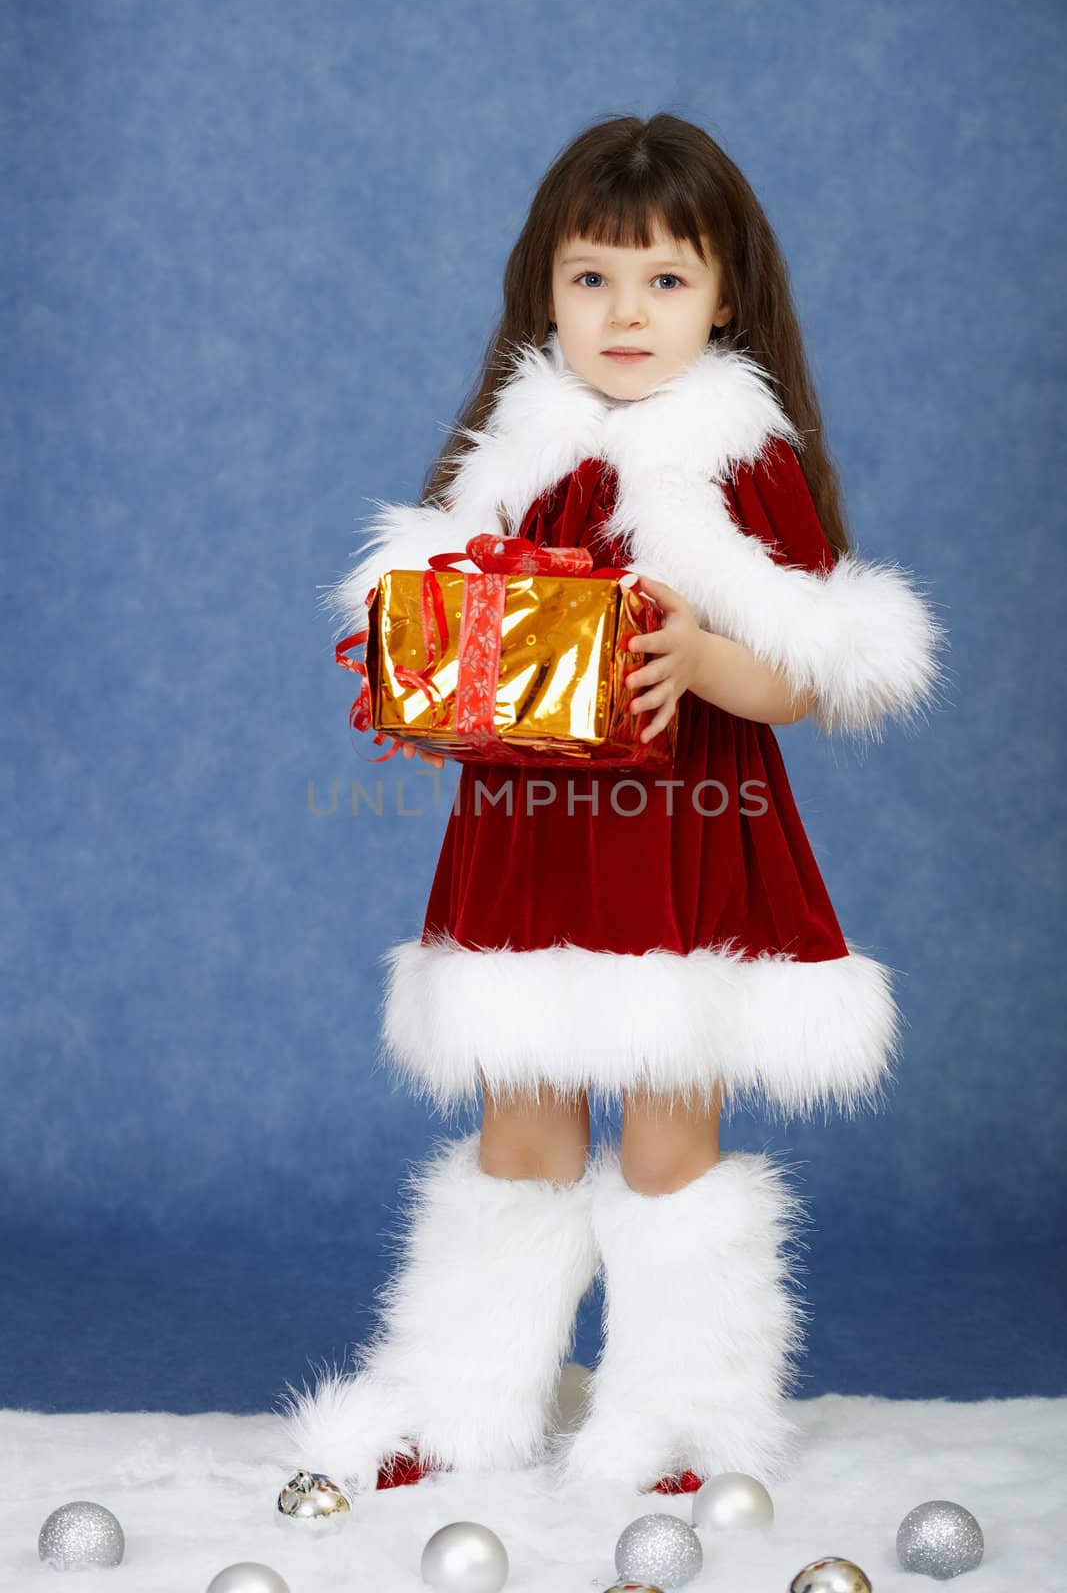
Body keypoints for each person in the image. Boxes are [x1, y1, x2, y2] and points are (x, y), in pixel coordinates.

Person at [274, 112, 947, 1501]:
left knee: (667, 1133)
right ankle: (460, 1406)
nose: (626, 312)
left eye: (664, 281)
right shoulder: (512, 454)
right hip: (531, 842)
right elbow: (442, 625)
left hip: (685, 843)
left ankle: (681, 1421)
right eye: (593, 279)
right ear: (545, 292)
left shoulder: (735, 457)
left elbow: (810, 677)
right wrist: (435, 680)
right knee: (520, 1126)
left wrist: (703, 658)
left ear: (725, 295)